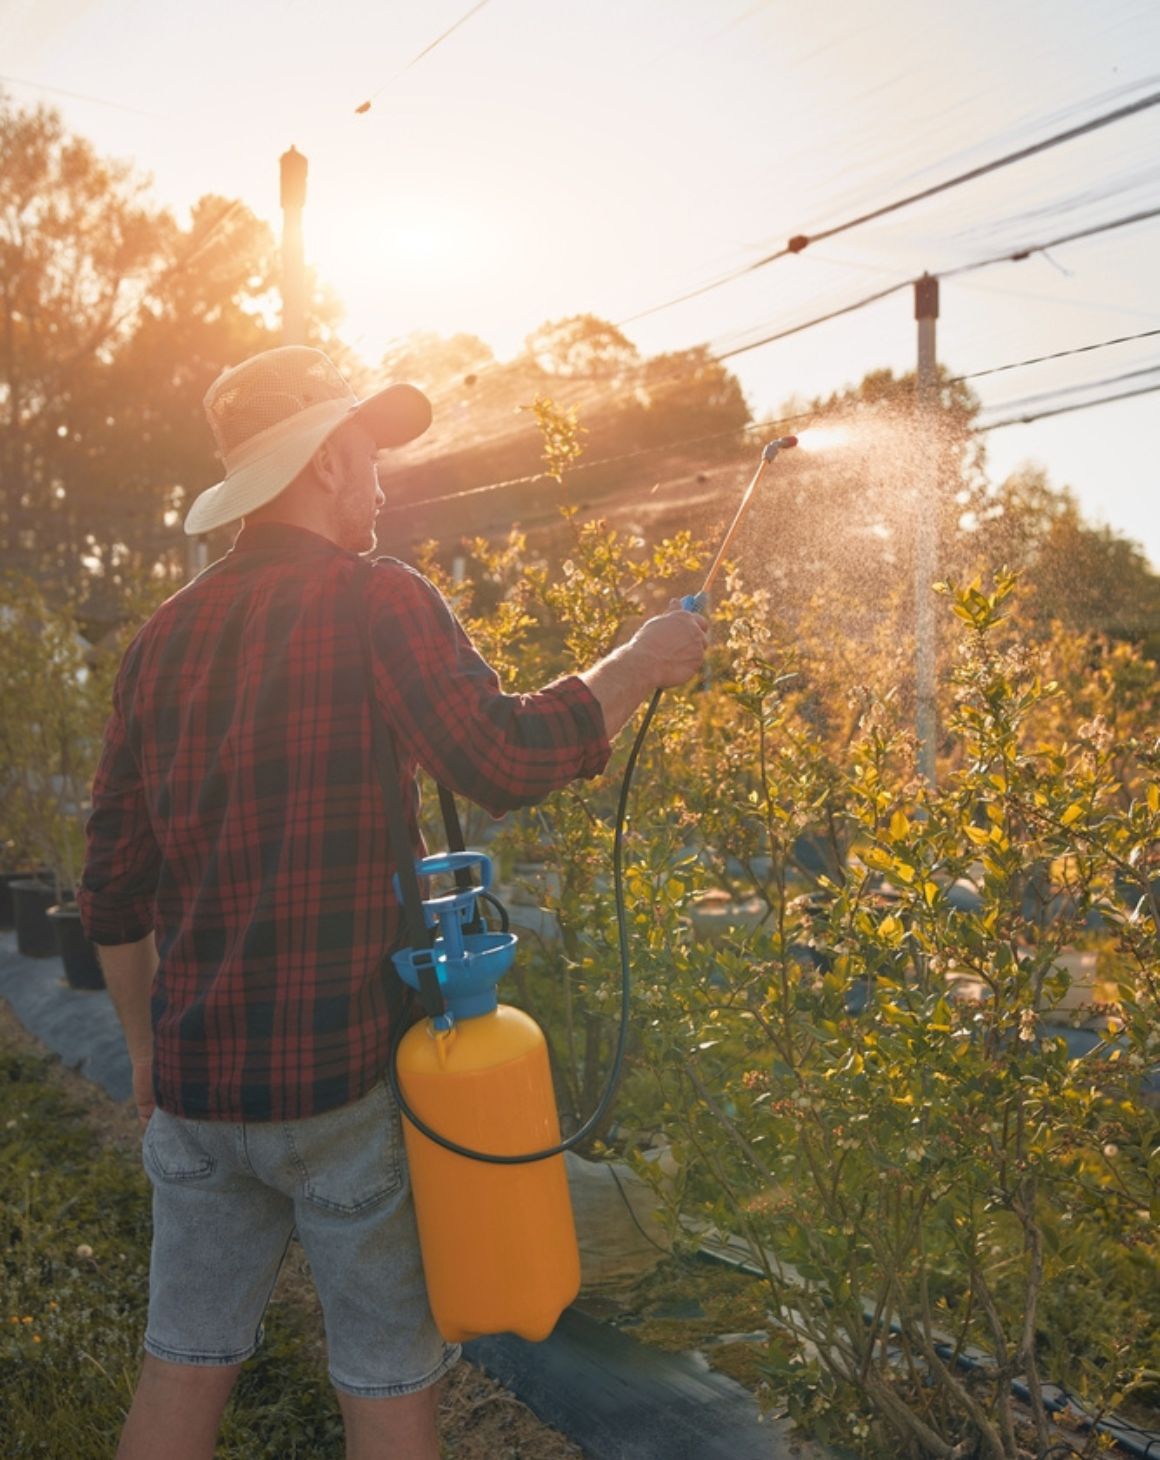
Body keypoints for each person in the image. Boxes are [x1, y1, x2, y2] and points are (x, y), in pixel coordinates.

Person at [79, 345, 708, 1460]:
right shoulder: (375, 598)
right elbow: (503, 759)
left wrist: (140, 1049)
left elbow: (111, 886)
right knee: (383, 1376)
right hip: (342, 1086)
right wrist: (637, 662)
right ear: (325, 461)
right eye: (368, 456)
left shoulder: (159, 640)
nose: (380, 481)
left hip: (195, 1089)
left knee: (183, 1358)